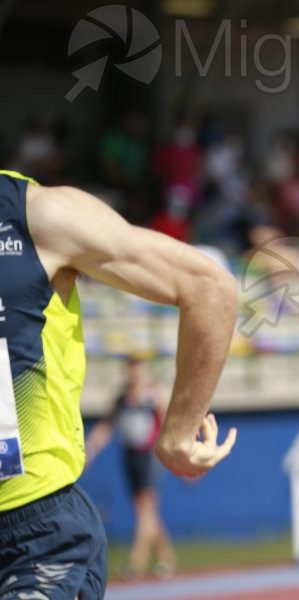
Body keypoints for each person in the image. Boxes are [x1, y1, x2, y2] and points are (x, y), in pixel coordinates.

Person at [0, 170, 238, 599]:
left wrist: (178, 435)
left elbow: (209, 286)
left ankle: (156, 558)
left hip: (32, 535)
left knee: (147, 509)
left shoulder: (36, 215)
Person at [84, 357, 177, 580]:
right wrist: (91, 449)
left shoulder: (153, 394)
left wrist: (175, 454)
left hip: (150, 456)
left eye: (137, 367)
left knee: (145, 507)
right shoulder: (122, 397)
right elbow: (106, 425)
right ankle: (167, 557)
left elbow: (167, 422)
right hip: (130, 456)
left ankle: (136, 562)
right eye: (130, 368)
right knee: (145, 510)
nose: (134, 373)